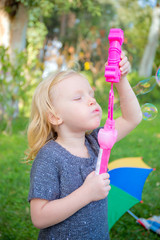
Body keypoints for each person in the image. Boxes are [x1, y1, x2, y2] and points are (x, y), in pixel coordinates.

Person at [27, 52, 142, 240]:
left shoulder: (97, 142)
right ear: (55, 116)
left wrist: (121, 80)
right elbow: (39, 217)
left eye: (91, 94)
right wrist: (87, 193)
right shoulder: (49, 157)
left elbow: (132, 118)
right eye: (78, 98)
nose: (91, 100)